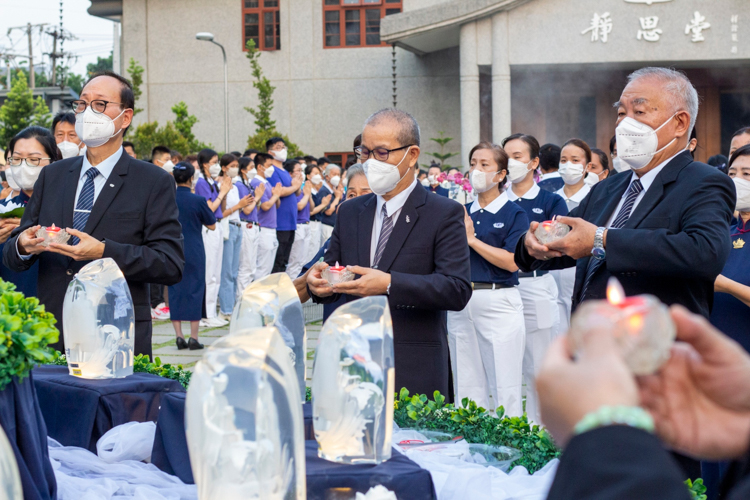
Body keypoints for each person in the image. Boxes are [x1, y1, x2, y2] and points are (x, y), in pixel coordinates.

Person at [514, 67, 735, 320]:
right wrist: (532, 243)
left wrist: (602, 239)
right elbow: (571, 237)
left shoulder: (704, 182)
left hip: (654, 349)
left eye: (638, 112)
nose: (623, 123)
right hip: (590, 344)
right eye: (621, 112)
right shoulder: (607, 188)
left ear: (679, 123)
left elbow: (705, 252)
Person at [3, 71, 184, 359]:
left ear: (125, 118)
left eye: (100, 105)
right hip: (51, 333)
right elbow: (14, 252)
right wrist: (23, 244)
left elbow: (170, 264)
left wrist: (103, 251)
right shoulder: (53, 175)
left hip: (115, 334)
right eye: (83, 104)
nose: (88, 113)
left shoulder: (152, 181)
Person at [307, 108, 472, 397]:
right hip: (354, 361)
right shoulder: (350, 212)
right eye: (364, 153)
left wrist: (389, 283)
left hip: (414, 367)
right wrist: (319, 283)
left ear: (412, 155)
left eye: (382, 153)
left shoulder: (443, 213)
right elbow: (336, 273)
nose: (370, 162)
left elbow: (456, 289)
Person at [447, 142, 528, 416]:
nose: (476, 171)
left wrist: (471, 240)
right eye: (472, 164)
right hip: (461, 300)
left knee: (504, 383)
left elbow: (512, 261)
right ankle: (470, 443)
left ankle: (511, 442)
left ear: (501, 174)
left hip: (498, 300)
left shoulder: (514, 213)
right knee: (466, 381)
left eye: (484, 165)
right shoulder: (460, 211)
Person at [503, 132, 568, 423]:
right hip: (502, 289)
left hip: (535, 285)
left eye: (517, 157)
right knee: (506, 368)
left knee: (538, 366)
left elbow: (559, 243)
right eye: (506, 157)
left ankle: (542, 433)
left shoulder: (551, 201)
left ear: (534, 162)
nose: (510, 162)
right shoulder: (493, 200)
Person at [1, 126, 62, 298]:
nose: (23, 166)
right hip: (11, 309)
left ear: (53, 161)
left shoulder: (68, 209)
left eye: (34, 160)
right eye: (17, 159)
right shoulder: (3, 211)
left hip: (56, 305)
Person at [168, 162, 216, 350]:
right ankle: (193, 337)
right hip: (194, 248)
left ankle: (179, 335)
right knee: (195, 288)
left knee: (174, 289)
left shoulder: (168, 199)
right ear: (191, 179)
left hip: (173, 248)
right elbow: (212, 224)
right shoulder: (198, 200)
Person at [551, 139, 593, 333]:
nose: (568, 165)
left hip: (579, 270)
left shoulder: (595, 197)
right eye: (564, 160)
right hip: (551, 276)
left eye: (575, 160)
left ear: (587, 166)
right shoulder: (551, 198)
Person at [712, 144, 750, 352]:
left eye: (747, 174)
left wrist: (725, 285)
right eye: (732, 173)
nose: (737, 181)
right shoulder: (722, 232)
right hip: (715, 358)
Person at [194, 148, 232, 328]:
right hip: (207, 228)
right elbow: (209, 208)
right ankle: (205, 314)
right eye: (214, 162)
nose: (216, 166)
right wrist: (222, 192)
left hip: (218, 226)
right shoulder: (201, 182)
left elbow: (221, 207)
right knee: (209, 272)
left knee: (216, 273)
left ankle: (212, 312)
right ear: (205, 164)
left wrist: (225, 189)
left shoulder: (212, 181)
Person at [217, 153, 254, 319]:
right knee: (226, 271)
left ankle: (231, 306)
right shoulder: (220, 185)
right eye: (231, 166)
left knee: (234, 271)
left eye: (236, 166)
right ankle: (226, 309)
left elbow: (243, 208)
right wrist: (239, 205)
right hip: (227, 227)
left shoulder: (236, 186)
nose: (235, 169)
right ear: (224, 168)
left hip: (238, 227)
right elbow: (221, 212)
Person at [266, 137, 302, 274]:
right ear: (271, 152)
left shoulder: (285, 172)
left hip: (291, 222)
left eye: (284, 147)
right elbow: (279, 191)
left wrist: (297, 185)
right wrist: (295, 187)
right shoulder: (272, 171)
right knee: (278, 260)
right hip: (281, 222)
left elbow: (295, 192)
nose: (283, 150)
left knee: (284, 261)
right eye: (279, 147)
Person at [235, 156, 264, 296]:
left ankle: (246, 298)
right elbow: (246, 210)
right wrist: (258, 197)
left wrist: (257, 199)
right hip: (246, 226)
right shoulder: (240, 186)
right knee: (246, 267)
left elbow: (254, 209)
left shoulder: (249, 185)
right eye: (251, 167)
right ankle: (241, 299)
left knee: (252, 267)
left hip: (253, 225)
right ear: (243, 170)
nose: (253, 170)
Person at [251, 152, 283, 280]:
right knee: (262, 268)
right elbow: (265, 206)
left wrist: (277, 194)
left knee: (268, 267)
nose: (272, 169)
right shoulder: (257, 182)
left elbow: (276, 204)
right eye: (269, 165)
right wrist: (275, 195)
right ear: (260, 167)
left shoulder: (267, 182)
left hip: (271, 227)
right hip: (263, 227)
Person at [286, 159, 313, 279]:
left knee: (303, 261)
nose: (301, 173)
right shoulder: (291, 188)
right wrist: (306, 194)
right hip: (298, 226)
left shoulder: (302, 189)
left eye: (301, 170)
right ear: (290, 173)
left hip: (307, 224)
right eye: (298, 171)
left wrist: (308, 194)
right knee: (294, 262)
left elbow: (311, 207)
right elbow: (299, 206)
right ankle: (292, 289)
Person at [306, 164, 331, 262]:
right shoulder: (307, 189)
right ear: (308, 176)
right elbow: (310, 211)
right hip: (311, 223)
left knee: (315, 251)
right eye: (315, 173)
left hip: (317, 223)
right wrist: (323, 205)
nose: (318, 176)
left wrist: (324, 205)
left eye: (319, 174)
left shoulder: (316, 191)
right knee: (310, 252)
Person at [318, 163, 343, 242]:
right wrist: (337, 198)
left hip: (335, 226)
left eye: (338, 174)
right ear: (327, 177)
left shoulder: (336, 190)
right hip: (327, 226)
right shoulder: (324, 191)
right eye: (334, 174)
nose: (337, 177)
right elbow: (328, 211)